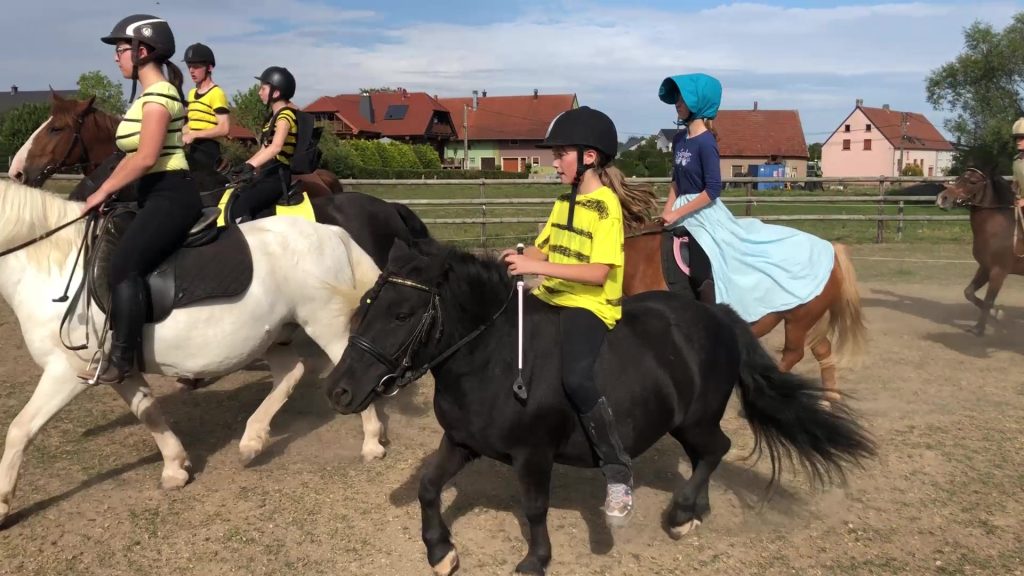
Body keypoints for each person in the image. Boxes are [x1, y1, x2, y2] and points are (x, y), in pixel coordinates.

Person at [502, 106, 657, 524]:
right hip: (554, 294)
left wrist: (538, 267)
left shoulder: (605, 207)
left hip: (589, 303)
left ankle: (617, 471)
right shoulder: (563, 200)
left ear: (589, 157)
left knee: (575, 377)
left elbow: (597, 273)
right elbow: (544, 248)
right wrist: (517, 257)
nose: (555, 163)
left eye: (561, 155)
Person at [79, 14, 202, 384]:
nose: (116, 58)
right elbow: (131, 159)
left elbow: (146, 157)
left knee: (123, 265)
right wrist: (106, 193)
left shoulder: (161, 96)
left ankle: (123, 358)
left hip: (171, 194)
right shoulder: (147, 98)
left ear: (142, 51)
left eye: (120, 50)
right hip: (152, 193)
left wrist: (101, 191)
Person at [658, 73, 834, 322]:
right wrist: (668, 210)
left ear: (698, 103)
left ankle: (715, 319)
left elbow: (713, 189)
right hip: (679, 209)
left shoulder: (706, 142)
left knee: (702, 263)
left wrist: (678, 213)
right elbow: (676, 181)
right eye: (676, 97)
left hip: (704, 214)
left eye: (682, 98)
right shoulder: (678, 141)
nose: (677, 102)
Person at [227, 66, 298, 223]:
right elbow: (265, 148)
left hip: (277, 176)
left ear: (276, 92)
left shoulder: (285, 116)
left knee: (240, 206)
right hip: (267, 174)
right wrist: (245, 166)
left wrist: (250, 166)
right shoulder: (272, 118)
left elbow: (276, 147)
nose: (259, 92)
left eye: (263, 88)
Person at [182, 42, 230, 174]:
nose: (191, 70)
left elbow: (224, 128)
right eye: (189, 66)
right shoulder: (191, 93)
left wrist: (194, 134)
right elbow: (192, 125)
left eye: (196, 66)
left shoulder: (217, 93)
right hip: (194, 147)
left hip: (208, 150)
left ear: (209, 68)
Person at [1012, 118, 1024, 208]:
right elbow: (1016, 183)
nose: (1017, 142)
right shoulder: (1016, 160)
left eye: (1021, 138)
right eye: (1016, 139)